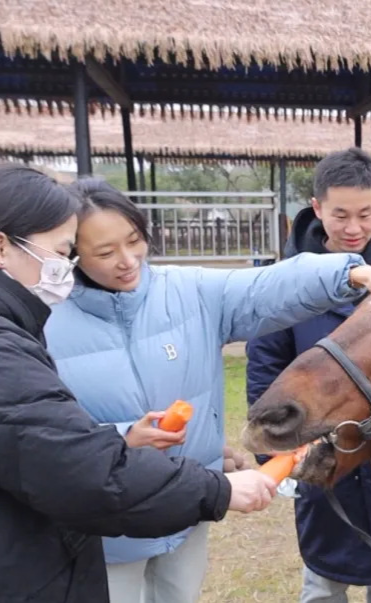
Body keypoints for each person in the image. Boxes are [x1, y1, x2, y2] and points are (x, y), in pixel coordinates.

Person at [42, 176, 371, 603]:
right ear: (71, 252)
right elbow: (38, 429)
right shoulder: (42, 320)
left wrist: (348, 272)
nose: (128, 260)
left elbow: (269, 285)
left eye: (134, 240)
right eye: (105, 252)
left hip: (184, 508)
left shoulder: (187, 291)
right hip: (102, 525)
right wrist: (123, 436)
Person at [0, 162, 279, 603]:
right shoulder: (13, 344)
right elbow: (78, 464)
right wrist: (217, 489)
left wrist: (349, 274)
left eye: (134, 241)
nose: (62, 269)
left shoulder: (20, 324)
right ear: (3, 246)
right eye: (61, 251)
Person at [246, 148, 371, 603]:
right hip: (321, 448)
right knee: (324, 576)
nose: (353, 228)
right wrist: (277, 450)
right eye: (340, 215)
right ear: (317, 209)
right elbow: (265, 365)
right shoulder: (287, 280)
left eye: (366, 214)